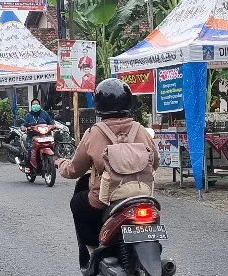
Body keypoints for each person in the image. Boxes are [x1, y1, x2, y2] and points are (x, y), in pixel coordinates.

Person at [55, 78, 159, 256]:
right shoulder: (141, 130)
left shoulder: (94, 133)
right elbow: (155, 162)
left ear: (99, 105)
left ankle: (94, 250)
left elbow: (75, 170)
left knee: (78, 204)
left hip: (106, 198)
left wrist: (60, 163)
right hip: (142, 195)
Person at [21, 98, 54, 174]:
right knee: (30, 150)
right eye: (34, 104)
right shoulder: (28, 116)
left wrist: (54, 126)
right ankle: (27, 166)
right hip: (32, 137)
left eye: (37, 104)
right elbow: (24, 124)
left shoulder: (44, 114)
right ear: (31, 106)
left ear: (40, 105)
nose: (36, 105)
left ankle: (49, 162)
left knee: (51, 144)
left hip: (44, 136)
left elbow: (50, 122)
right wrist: (24, 127)